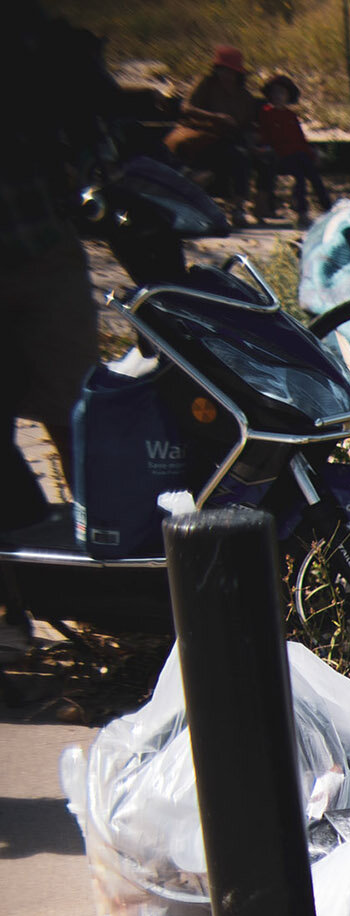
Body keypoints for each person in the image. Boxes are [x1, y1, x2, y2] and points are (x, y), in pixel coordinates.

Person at [0, 0, 112, 546]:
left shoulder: (27, 36)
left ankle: (97, 555)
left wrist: (84, 171)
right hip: (39, 248)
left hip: (40, 251)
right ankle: (21, 588)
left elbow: (93, 125)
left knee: (78, 415)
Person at [166, 44, 260, 218]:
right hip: (200, 136)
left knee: (240, 156)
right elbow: (186, 107)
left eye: (230, 71)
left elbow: (248, 125)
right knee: (213, 160)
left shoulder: (244, 96)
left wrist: (252, 141)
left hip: (228, 140)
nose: (225, 75)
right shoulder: (206, 83)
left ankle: (238, 208)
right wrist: (215, 117)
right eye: (222, 70)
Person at [254, 74, 330, 227]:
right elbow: (265, 137)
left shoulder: (290, 115)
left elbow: (300, 139)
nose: (278, 96)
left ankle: (328, 208)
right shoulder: (266, 113)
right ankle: (302, 212)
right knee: (300, 175)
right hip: (278, 156)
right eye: (274, 92)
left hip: (297, 155)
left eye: (281, 93)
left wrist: (312, 153)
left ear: (288, 96)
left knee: (313, 175)